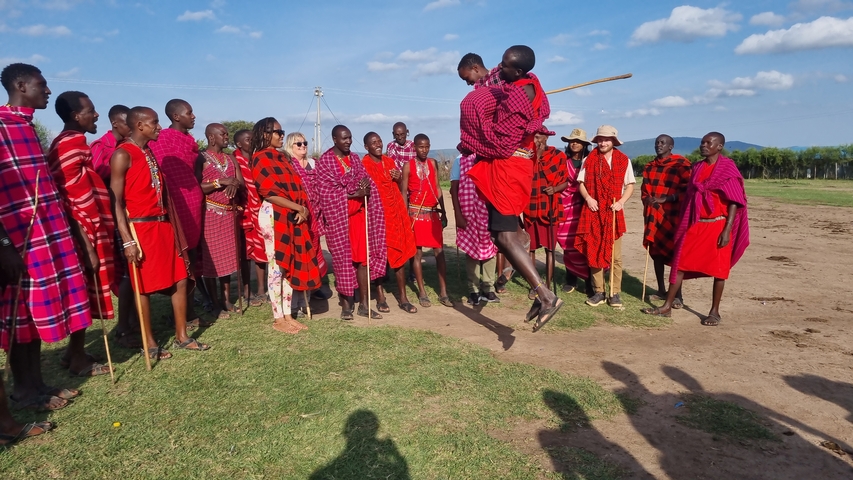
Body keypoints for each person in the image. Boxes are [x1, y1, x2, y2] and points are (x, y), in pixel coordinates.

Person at [1, 63, 92, 412]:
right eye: (42, 85)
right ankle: (24, 389)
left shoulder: (25, 126)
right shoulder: (1, 126)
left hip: (44, 234)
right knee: (20, 315)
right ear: (21, 85)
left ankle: (37, 383)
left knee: (35, 313)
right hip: (17, 239)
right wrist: (5, 246)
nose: (49, 91)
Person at [459, 45, 563, 329]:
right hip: (505, 168)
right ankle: (533, 274)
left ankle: (545, 295)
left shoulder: (523, 92)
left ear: (518, 70)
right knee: (499, 234)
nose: (499, 68)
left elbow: (503, 139)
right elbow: (490, 83)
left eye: (504, 66)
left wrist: (472, 142)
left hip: (508, 168)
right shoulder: (514, 85)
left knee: (504, 239)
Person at [111, 106, 210, 359]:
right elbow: (116, 202)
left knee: (180, 278)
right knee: (142, 286)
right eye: (154, 122)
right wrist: (127, 240)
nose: (159, 126)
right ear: (140, 125)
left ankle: (182, 336)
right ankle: (150, 341)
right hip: (139, 227)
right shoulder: (123, 154)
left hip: (164, 225)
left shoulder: (150, 153)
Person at [643, 132, 750, 326]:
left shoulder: (727, 168)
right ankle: (667, 306)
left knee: (719, 270)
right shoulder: (697, 168)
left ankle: (714, 311)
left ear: (719, 147)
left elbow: (735, 200)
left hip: (718, 224)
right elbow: (690, 199)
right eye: (702, 142)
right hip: (696, 223)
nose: (704, 145)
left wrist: (727, 229)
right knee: (680, 263)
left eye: (709, 143)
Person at [46, 90, 114, 376]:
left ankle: (76, 351)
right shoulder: (69, 145)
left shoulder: (76, 143)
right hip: (81, 229)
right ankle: (77, 359)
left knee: (87, 289)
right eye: (91, 110)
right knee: (84, 290)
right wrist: (85, 241)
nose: (96, 115)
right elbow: (68, 198)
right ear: (76, 115)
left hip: (89, 226)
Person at [251, 118, 320, 333]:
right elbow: (268, 192)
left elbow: (296, 187)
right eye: (277, 132)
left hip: (292, 213)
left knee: (290, 261)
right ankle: (278, 318)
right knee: (277, 266)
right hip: (274, 215)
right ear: (265, 134)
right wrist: (299, 208)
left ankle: (289, 314)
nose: (282, 135)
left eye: (282, 132)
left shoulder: (283, 158)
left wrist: (301, 209)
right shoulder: (260, 158)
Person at [314, 125, 387, 320]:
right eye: (344, 138)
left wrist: (363, 190)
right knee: (343, 262)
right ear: (335, 139)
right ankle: (346, 305)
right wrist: (354, 192)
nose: (348, 141)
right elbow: (326, 194)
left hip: (358, 218)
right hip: (339, 221)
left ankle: (363, 304)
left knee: (362, 262)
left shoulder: (354, 159)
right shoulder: (326, 162)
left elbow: (365, 181)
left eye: (350, 138)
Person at [456, 52, 513, 293]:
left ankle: (493, 281)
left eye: (466, 77)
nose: (467, 82)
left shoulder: (502, 77)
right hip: (483, 153)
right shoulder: (477, 92)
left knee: (500, 234)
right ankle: (475, 287)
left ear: (476, 67)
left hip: (501, 151)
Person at [148, 99, 205, 327]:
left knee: (192, 255)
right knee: (183, 258)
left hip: (193, 205)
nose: (193, 116)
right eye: (189, 113)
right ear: (176, 116)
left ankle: (190, 308)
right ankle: (185, 314)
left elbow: (193, 173)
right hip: (175, 206)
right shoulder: (163, 141)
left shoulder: (189, 143)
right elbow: (163, 175)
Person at [575, 125, 635, 308]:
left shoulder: (624, 160)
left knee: (615, 257)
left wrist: (621, 202)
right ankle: (599, 291)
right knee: (594, 251)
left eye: (607, 139)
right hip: (594, 211)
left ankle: (615, 293)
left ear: (614, 141)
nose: (603, 142)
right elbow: (581, 183)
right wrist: (588, 198)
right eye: (600, 139)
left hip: (614, 212)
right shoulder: (589, 159)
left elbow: (630, 185)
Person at [362, 132, 418, 313]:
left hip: (395, 215)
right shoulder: (364, 165)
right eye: (373, 143)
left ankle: (403, 297)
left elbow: (400, 185)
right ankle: (380, 296)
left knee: (399, 254)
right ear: (366, 147)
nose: (378, 145)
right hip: (377, 217)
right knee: (379, 256)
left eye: (379, 141)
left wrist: (398, 177)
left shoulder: (389, 161)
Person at [198, 123, 243, 318]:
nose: (226, 137)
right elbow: (197, 186)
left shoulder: (231, 158)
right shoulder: (201, 158)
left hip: (229, 214)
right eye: (223, 134)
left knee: (226, 259)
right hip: (210, 214)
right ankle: (214, 302)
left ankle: (226, 299)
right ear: (211, 137)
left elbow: (240, 181)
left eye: (226, 134)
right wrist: (220, 182)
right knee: (211, 261)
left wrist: (234, 185)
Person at [641, 135, 691, 307]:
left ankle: (677, 295)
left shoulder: (681, 165)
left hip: (674, 216)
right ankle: (661, 290)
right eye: (657, 143)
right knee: (656, 254)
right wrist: (648, 200)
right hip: (654, 216)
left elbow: (687, 191)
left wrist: (667, 199)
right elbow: (645, 191)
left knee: (675, 255)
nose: (659, 145)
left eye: (663, 143)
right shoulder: (649, 167)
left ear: (671, 146)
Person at [402, 134, 450, 308]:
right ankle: (422, 292)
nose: (424, 150)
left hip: (432, 214)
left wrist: (443, 211)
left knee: (439, 252)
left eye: (427, 146)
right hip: (415, 214)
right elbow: (403, 193)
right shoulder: (408, 166)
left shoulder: (433, 163)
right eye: (421, 147)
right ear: (414, 147)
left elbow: (437, 188)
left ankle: (444, 292)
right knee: (417, 254)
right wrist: (406, 216)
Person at [284, 131, 328, 315]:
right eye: (298, 144)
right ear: (290, 147)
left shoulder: (313, 164)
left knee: (313, 253)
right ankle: (295, 302)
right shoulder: (288, 165)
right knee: (299, 257)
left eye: (304, 143)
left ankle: (309, 294)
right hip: (299, 215)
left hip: (315, 216)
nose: (303, 147)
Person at [450, 153, 499, 306]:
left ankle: (488, 288)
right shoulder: (459, 160)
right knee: (472, 251)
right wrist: (458, 214)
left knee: (490, 248)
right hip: (467, 211)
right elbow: (454, 188)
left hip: (487, 210)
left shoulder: (486, 157)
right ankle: (473, 290)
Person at [525, 131, 569, 295]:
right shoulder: (526, 156)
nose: (535, 141)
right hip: (530, 207)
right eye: (533, 138)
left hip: (550, 207)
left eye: (537, 137)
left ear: (546, 138)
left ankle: (548, 285)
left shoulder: (558, 155)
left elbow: (565, 181)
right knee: (531, 249)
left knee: (550, 249)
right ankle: (534, 285)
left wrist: (555, 189)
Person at [557, 128, 593, 295]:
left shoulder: (590, 161)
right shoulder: (562, 161)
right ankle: (571, 279)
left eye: (578, 141)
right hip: (566, 205)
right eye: (572, 141)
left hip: (586, 206)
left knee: (584, 243)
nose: (575, 143)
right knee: (567, 242)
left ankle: (589, 280)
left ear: (585, 144)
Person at [233, 129, 267, 306]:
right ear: (239, 144)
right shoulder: (234, 160)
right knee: (245, 254)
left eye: (253, 139)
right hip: (243, 211)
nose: (252, 142)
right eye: (248, 140)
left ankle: (262, 288)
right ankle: (247, 290)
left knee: (262, 248)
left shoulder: (258, 159)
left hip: (261, 210)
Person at [90, 104, 130, 183]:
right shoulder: (100, 146)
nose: (131, 127)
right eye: (127, 124)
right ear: (115, 124)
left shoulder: (129, 144)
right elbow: (94, 176)